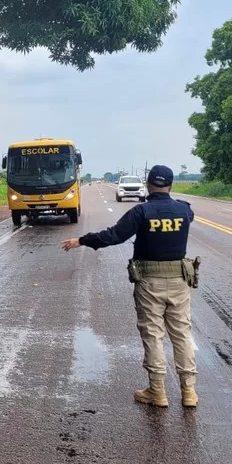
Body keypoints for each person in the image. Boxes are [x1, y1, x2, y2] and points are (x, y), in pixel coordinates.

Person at [62, 165, 199, 408]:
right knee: (182, 334)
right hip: (179, 281)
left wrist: (81, 240)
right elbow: (188, 215)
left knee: (153, 334)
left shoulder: (141, 212)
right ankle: (189, 392)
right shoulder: (184, 210)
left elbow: (113, 236)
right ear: (171, 185)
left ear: (148, 184)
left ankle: (157, 391)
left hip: (149, 282)